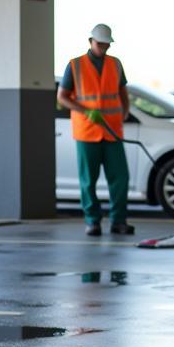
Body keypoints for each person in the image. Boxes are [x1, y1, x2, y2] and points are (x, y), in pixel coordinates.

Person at [57, 23, 133, 237]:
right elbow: (62, 97)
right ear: (90, 41)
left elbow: (122, 91)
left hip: (112, 131)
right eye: (100, 44)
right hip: (87, 131)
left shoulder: (115, 64)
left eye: (107, 45)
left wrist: (125, 111)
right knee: (88, 180)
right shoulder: (75, 66)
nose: (103, 48)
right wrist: (86, 111)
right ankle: (92, 221)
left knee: (120, 178)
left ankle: (119, 221)